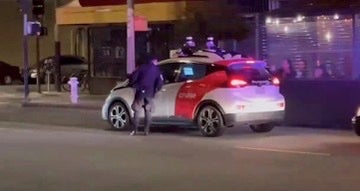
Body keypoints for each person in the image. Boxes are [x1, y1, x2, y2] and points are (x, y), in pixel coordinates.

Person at [128, 55, 163, 136]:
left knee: (137, 111)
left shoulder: (141, 68)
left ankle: (135, 130)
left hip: (140, 92)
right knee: (148, 111)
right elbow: (160, 82)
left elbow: (133, 78)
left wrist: (133, 84)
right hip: (150, 93)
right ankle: (146, 131)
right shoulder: (157, 70)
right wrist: (157, 90)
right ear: (154, 61)